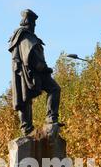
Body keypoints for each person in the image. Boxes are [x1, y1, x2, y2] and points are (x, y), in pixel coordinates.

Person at [9, 9, 62, 137]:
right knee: (26, 98)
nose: (35, 26)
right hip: (31, 73)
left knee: (26, 98)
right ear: (30, 22)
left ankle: (44, 121)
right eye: (33, 23)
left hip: (32, 72)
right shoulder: (25, 36)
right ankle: (30, 127)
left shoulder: (23, 36)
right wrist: (44, 68)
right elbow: (31, 56)